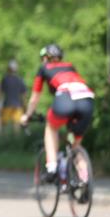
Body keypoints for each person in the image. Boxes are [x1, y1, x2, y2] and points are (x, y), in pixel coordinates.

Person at [20, 44, 94, 194]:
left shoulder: (44, 68)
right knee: (75, 147)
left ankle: (52, 167)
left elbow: (35, 97)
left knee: (51, 127)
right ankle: (85, 182)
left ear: (45, 58)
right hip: (87, 99)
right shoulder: (70, 66)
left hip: (65, 98)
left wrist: (27, 115)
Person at [0, 59, 27, 133]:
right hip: (18, 105)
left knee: (4, 124)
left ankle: (3, 138)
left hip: (7, 104)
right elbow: (24, 94)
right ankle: (15, 139)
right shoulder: (20, 79)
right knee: (16, 124)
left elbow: (1, 93)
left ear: (8, 69)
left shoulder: (5, 79)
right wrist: (25, 105)